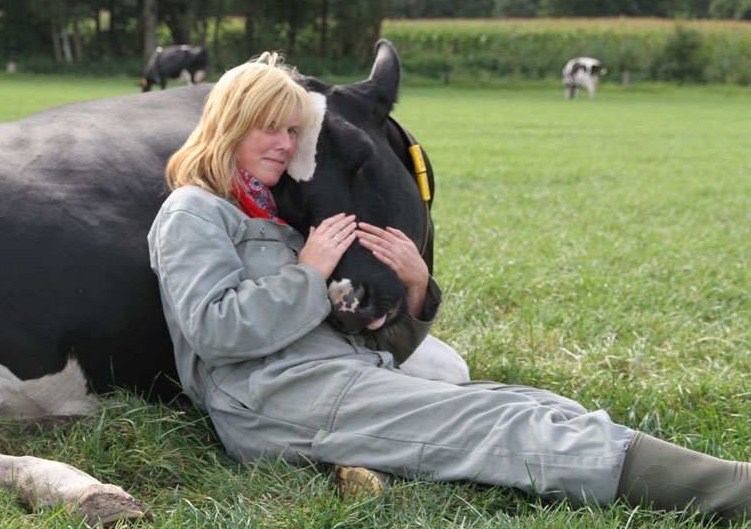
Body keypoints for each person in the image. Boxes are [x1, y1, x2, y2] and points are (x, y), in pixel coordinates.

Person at [147, 53, 750, 522]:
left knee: (539, 404)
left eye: (290, 130)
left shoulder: (273, 218)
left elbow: (353, 342)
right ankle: (735, 491)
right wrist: (308, 273)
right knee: (508, 427)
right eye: (269, 129)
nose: (285, 144)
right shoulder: (194, 213)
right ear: (230, 124)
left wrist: (415, 288)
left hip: (332, 381)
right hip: (270, 401)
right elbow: (215, 330)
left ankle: (368, 459)